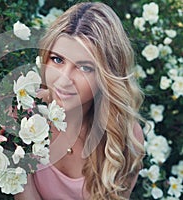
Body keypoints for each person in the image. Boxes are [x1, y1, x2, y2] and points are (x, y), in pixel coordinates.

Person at [15, 2, 145, 199]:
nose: (64, 80)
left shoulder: (125, 136)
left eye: (84, 68)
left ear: (106, 76)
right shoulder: (24, 115)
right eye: (58, 60)